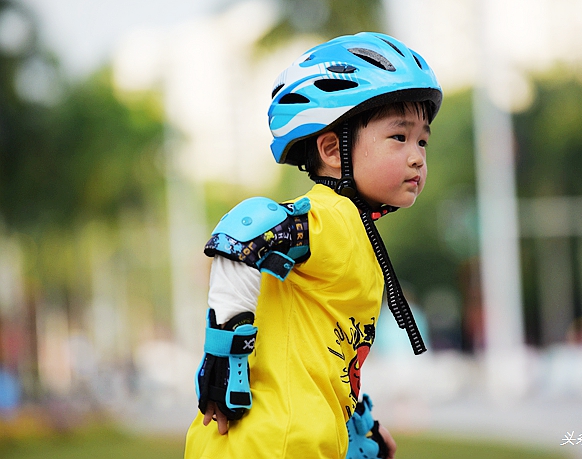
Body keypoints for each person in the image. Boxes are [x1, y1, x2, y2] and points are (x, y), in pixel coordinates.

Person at [184, 31, 443, 459]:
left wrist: (361, 423)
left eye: (422, 141)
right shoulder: (333, 217)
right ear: (331, 149)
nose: (417, 156)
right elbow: (246, 231)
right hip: (269, 444)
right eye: (399, 138)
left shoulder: (356, 234)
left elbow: (329, 350)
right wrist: (223, 358)